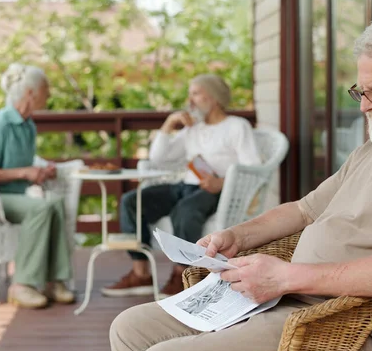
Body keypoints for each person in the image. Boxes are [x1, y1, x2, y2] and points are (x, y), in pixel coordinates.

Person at [109, 16, 372, 351]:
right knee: (129, 329)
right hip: (285, 301)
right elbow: (304, 209)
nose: (364, 107)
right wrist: (237, 236)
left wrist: (283, 277)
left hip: (338, 331)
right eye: (360, 92)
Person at [102, 74, 262, 298]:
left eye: (196, 93)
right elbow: (158, 159)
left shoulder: (237, 126)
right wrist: (168, 126)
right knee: (132, 201)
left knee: (185, 211)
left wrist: (221, 183)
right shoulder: (192, 129)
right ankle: (141, 273)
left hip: (216, 190)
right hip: (184, 185)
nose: (190, 100)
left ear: (214, 97)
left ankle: (182, 273)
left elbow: (253, 168)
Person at [0, 63, 75, 309]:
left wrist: (41, 170)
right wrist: (24, 172)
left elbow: (26, 163)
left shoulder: (28, 124)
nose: (49, 94)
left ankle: (54, 280)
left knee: (55, 203)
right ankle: (22, 284)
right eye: (45, 88)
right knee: (40, 208)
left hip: (19, 194)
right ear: (30, 93)